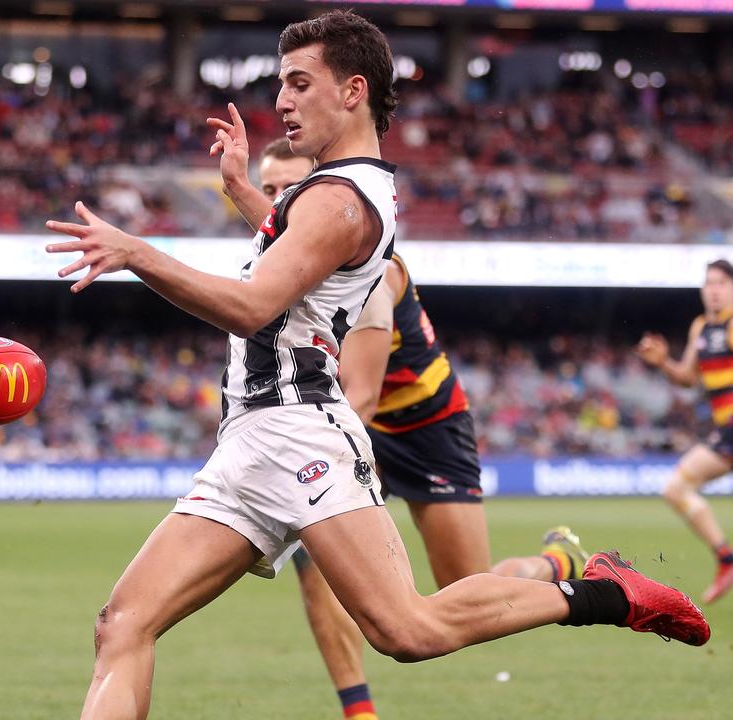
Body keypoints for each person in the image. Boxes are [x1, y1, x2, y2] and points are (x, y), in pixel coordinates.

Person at [44, 11, 708, 719]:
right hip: (249, 441)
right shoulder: (338, 191)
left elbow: (251, 305)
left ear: (354, 90)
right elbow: (298, 253)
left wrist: (137, 251)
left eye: (301, 83)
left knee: (409, 631)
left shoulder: (337, 199)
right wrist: (242, 190)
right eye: (281, 83)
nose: (282, 101)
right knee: (124, 624)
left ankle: (601, 591)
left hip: (302, 435)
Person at [209, 135, 591, 720]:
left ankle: (556, 567)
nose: (279, 201)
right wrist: (238, 185)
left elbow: (360, 395)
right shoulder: (291, 247)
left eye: (292, 188)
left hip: (423, 423)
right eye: (269, 190)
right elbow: (281, 233)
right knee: (318, 567)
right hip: (343, 423)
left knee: (466, 585)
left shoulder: (373, 270)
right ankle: (359, 713)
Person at [638, 258, 733, 604]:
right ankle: (726, 559)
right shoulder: (701, 328)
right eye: (709, 284)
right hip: (727, 432)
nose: (714, 290)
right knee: (676, 488)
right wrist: (663, 362)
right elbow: (689, 378)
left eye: (721, 283)